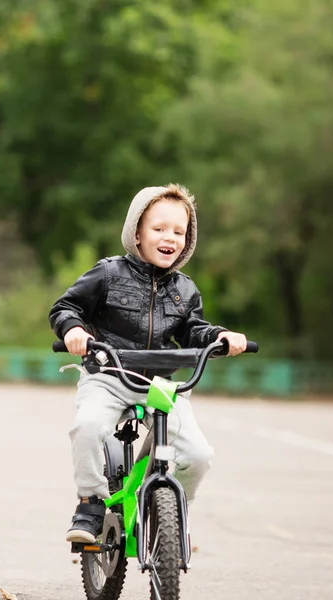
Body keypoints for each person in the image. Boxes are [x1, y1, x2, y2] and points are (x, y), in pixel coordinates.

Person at [49, 184, 247, 543]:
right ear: (136, 232)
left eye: (179, 231)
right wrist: (74, 329)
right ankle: (90, 502)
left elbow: (195, 331)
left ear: (187, 240)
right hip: (108, 373)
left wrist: (221, 337)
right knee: (88, 426)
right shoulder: (108, 274)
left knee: (199, 455)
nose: (169, 237)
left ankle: (172, 512)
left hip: (160, 384)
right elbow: (66, 307)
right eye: (159, 229)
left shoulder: (185, 290)